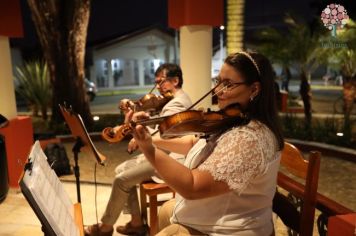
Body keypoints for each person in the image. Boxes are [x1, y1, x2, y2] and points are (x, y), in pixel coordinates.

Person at [126, 51, 284, 235]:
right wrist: (149, 138)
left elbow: (192, 186)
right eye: (218, 81)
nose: (217, 91)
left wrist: (148, 148)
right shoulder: (235, 119)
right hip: (216, 212)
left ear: (254, 89)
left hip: (230, 229)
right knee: (167, 209)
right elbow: (194, 142)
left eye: (228, 85)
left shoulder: (249, 139)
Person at [84, 63, 192, 236]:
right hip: (162, 154)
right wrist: (137, 118)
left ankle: (105, 227)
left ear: (175, 81)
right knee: (121, 169)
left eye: (161, 82)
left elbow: (163, 137)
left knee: (121, 180)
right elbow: (160, 123)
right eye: (156, 82)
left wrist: (136, 128)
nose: (158, 87)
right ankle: (136, 223)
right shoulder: (173, 100)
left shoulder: (177, 104)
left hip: (170, 159)